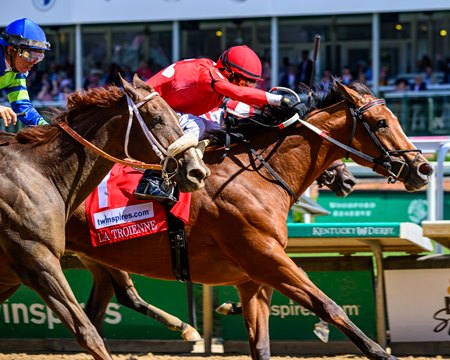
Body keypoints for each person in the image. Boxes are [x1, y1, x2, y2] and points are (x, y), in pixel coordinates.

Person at [134, 45, 309, 204]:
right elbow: (239, 93)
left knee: (216, 130)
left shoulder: (212, 73)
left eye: (252, 83)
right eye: (245, 81)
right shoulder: (209, 76)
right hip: (146, 112)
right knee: (196, 127)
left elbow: (240, 95)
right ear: (229, 73)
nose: (249, 86)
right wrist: (280, 100)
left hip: (161, 111)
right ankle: (152, 179)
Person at [0, 18, 51, 127]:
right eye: (29, 56)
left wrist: (46, 127)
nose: (33, 62)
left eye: (39, 57)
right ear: (10, 50)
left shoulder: (16, 71)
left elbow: (23, 107)